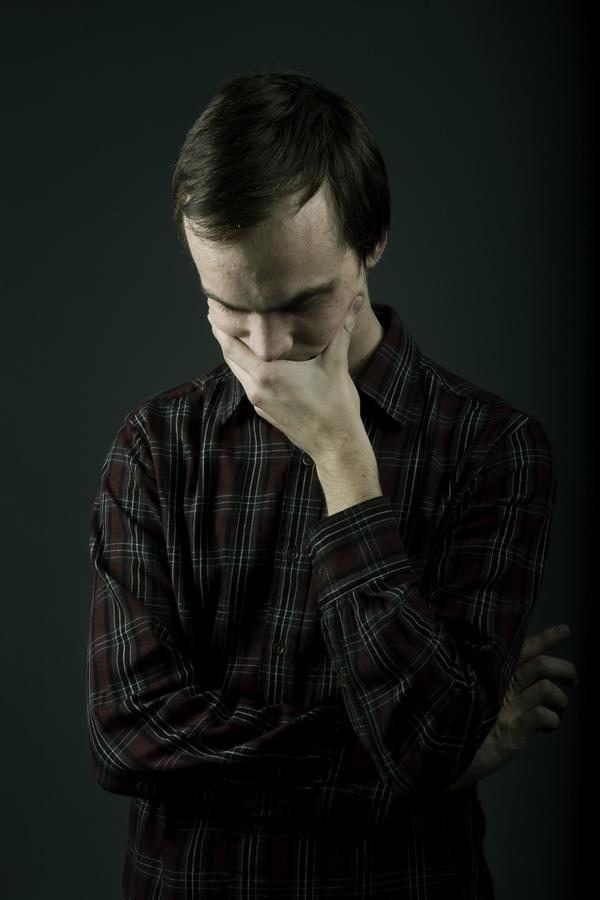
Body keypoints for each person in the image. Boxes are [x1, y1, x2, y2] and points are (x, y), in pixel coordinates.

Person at [87, 70, 578, 899]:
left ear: (372, 239)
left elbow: (427, 737)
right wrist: (413, 767)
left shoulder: (495, 450)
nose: (267, 350)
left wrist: (345, 463)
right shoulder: (156, 445)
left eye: (302, 304)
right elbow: (127, 735)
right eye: (229, 309)